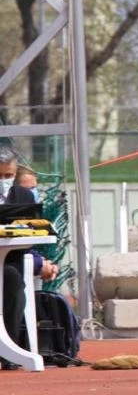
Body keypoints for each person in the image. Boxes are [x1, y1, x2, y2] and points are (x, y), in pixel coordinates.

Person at [0, 147, 58, 370]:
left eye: (8, 175)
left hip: (10, 260)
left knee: (12, 281)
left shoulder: (24, 196)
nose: (4, 180)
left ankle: (9, 350)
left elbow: (31, 235)